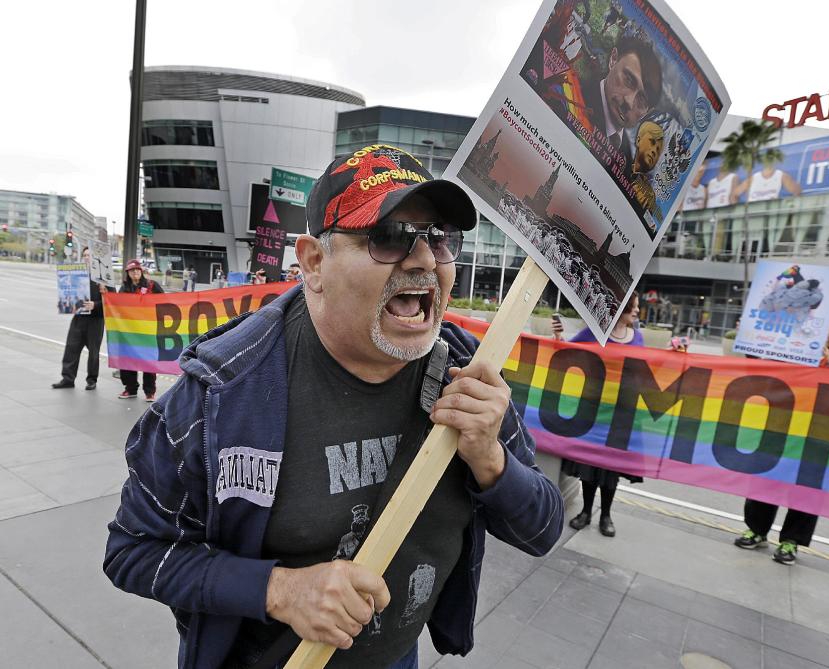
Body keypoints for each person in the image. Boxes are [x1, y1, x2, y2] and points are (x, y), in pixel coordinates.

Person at [104, 145, 563, 669]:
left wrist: (491, 461)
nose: (423, 260)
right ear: (314, 262)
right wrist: (279, 590)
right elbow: (132, 551)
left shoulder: (469, 374)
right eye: (389, 237)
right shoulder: (221, 394)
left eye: (438, 239)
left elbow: (543, 529)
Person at [735, 303, 829, 565]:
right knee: (766, 477)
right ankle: (757, 530)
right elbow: (763, 371)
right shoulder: (793, 344)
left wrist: (828, 359)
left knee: (807, 489)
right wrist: (750, 342)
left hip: (820, 432)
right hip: (782, 423)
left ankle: (791, 541)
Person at [552, 292, 643, 538]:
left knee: (611, 470)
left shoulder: (638, 337)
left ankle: (606, 515)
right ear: (618, 311)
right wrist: (558, 337)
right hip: (593, 411)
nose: (636, 312)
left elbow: (646, 369)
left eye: (636, 308)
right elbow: (569, 351)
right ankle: (586, 511)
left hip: (621, 415)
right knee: (590, 466)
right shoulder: (595, 334)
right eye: (632, 308)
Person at [581, 34, 662, 181]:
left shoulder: (627, 166)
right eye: (629, 80)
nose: (629, 102)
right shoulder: (572, 92)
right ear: (613, 59)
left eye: (642, 100)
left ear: (647, 113)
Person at [52, 247, 105, 391]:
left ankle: (91, 380)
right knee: (71, 348)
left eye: (90, 255)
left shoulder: (103, 278)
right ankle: (68, 379)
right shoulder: (75, 274)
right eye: (85, 255)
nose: (87, 258)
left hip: (95, 320)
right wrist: (65, 302)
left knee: (93, 352)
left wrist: (96, 305)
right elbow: (68, 293)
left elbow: (112, 302)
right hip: (79, 318)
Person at [117, 259, 164, 401]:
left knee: (148, 361)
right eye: (132, 270)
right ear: (128, 273)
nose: (135, 272)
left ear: (141, 271)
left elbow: (165, 301)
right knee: (127, 361)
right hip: (128, 332)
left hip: (148, 331)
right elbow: (117, 306)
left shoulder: (152, 285)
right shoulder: (124, 288)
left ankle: (149, 392)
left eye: (137, 269)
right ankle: (130, 389)